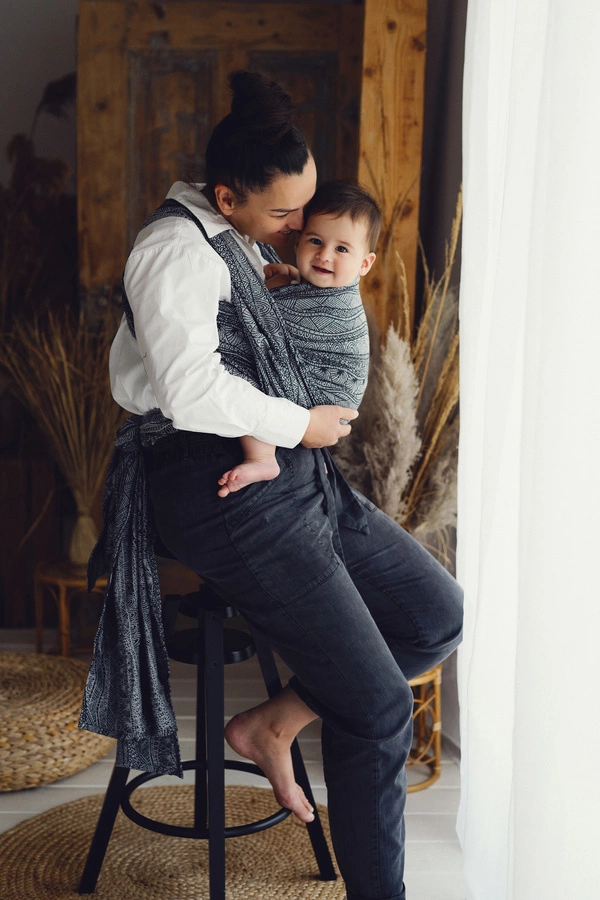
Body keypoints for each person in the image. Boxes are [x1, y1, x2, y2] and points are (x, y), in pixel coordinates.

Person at [97, 71, 463, 900]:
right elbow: (190, 390)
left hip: (296, 468)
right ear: (228, 198)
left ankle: (275, 721)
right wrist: (300, 424)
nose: (301, 228)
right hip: (212, 479)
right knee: (378, 709)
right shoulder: (173, 252)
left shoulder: (242, 233)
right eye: (286, 215)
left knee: (436, 614)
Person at [217, 179, 380, 497]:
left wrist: (269, 294)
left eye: (341, 249)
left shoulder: (339, 308)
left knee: (246, 364)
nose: (324, 255)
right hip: (320, 399)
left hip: (326, 394)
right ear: (298, 241)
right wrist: (290, 283)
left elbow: (261, 325)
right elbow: (279, 321)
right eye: (315, 241)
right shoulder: (310, 287)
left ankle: (262, 457)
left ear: (364, 263)